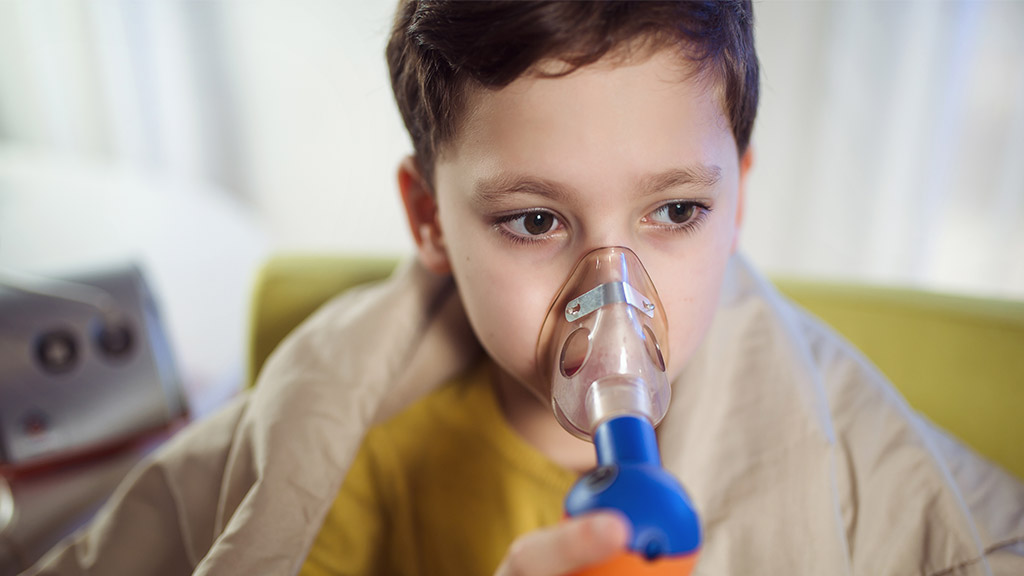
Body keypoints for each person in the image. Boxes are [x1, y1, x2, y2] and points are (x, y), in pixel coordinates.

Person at [24, 2, 1024, 576]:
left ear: (740, 197)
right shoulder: (340, 436)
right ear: (428, 222)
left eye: (674, 212)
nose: (613, 300)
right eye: (536, 221)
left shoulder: (842, 450)